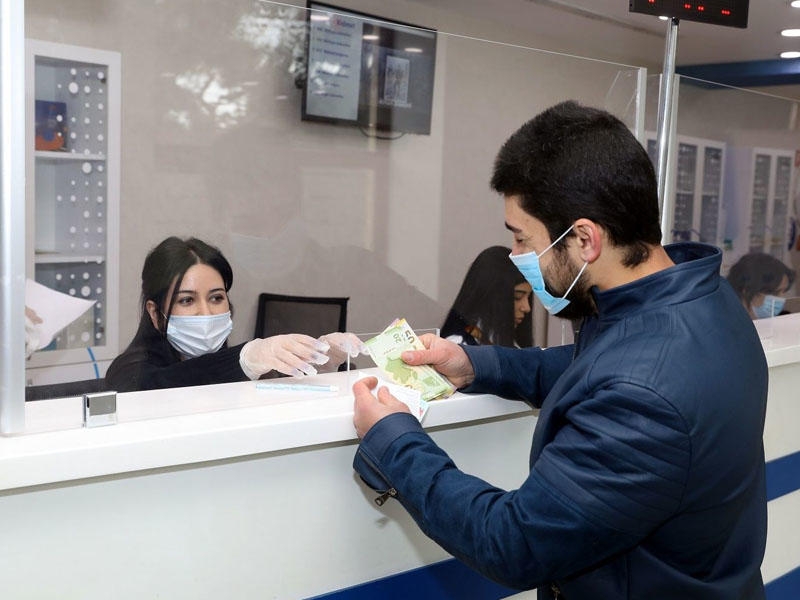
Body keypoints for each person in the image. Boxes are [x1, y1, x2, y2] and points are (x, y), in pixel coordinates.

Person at [351, 101, 768, 599]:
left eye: (525, 240)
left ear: (586, 238)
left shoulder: (645, 396)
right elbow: (593, 368)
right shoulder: (700, 298)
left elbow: (513, 541)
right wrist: (473, 365)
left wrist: (393, 439)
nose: (517, 258)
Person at [105, 236, 364, 392]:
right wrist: (246, 358)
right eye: (186, 300)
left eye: (216, 297)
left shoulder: (241, 374)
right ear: (155, 312)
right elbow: (161, 386)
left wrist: (320, 364)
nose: (205, 312)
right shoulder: (128, 371)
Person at [440, 245, 532, 347]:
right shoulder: (460, 347)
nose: (527, 308)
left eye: (528, 297)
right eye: (517, 297)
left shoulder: (511, 344)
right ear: (489, 296)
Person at [726, 251, 795, 319]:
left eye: (784, 291)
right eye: (775, 293)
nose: (781, 299)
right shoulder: (725, 324)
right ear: (746, 291)